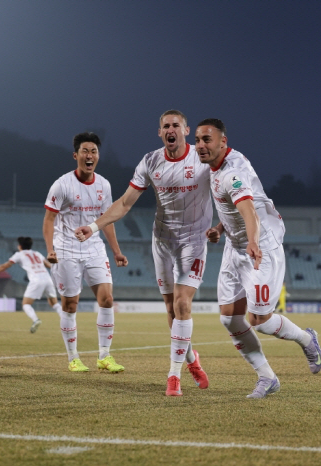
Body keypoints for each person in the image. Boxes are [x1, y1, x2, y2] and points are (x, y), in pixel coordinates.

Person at [74, 110, 211, 396]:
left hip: (194, 241)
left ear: (186, 130)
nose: (170, 129)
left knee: (183, 305)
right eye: (165, 126)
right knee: (172, 310)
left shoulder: (202, 158)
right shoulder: (151, 161)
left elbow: (224, 190)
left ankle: (173, 376)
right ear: (159, 132)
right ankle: (190, 357)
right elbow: (124, 203)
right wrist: (94, 226)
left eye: (176, 125)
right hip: (162, 240)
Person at [196, 118, 321, 399]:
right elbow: (230, 207)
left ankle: (306, 338)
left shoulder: (233, 172)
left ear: (222, 142)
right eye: (198, 140)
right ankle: (267, 377)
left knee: (260, 320)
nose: (201, 145)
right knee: (230, 319)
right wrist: (220, 227)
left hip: (261, 245)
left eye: (207, 140)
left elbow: (248, 210)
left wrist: (252, 242)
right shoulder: (215, 167)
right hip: (235, 244)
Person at [43, 131, 128, 373]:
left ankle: (104, 356)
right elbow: (49, 220)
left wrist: (116, 252)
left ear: (97, 156)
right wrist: (50, 250)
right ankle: (73, 357)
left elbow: (107, 220)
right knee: (70, 304)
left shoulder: (104, 185)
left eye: (94, 151)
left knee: (107, 299)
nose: (89, 156)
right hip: (66, 250)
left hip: (94, 249)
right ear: (75, 155)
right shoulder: (61, 185)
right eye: (85, 151)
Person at [0, 237, 64, 333]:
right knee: (54, 303)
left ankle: (36, 320)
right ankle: (65, 320)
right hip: (48, 279)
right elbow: (50, 266)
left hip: (36, 280)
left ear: (20, 246)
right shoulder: (37, 253)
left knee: (26, 304)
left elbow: (4, 266)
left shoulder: (19, 255)